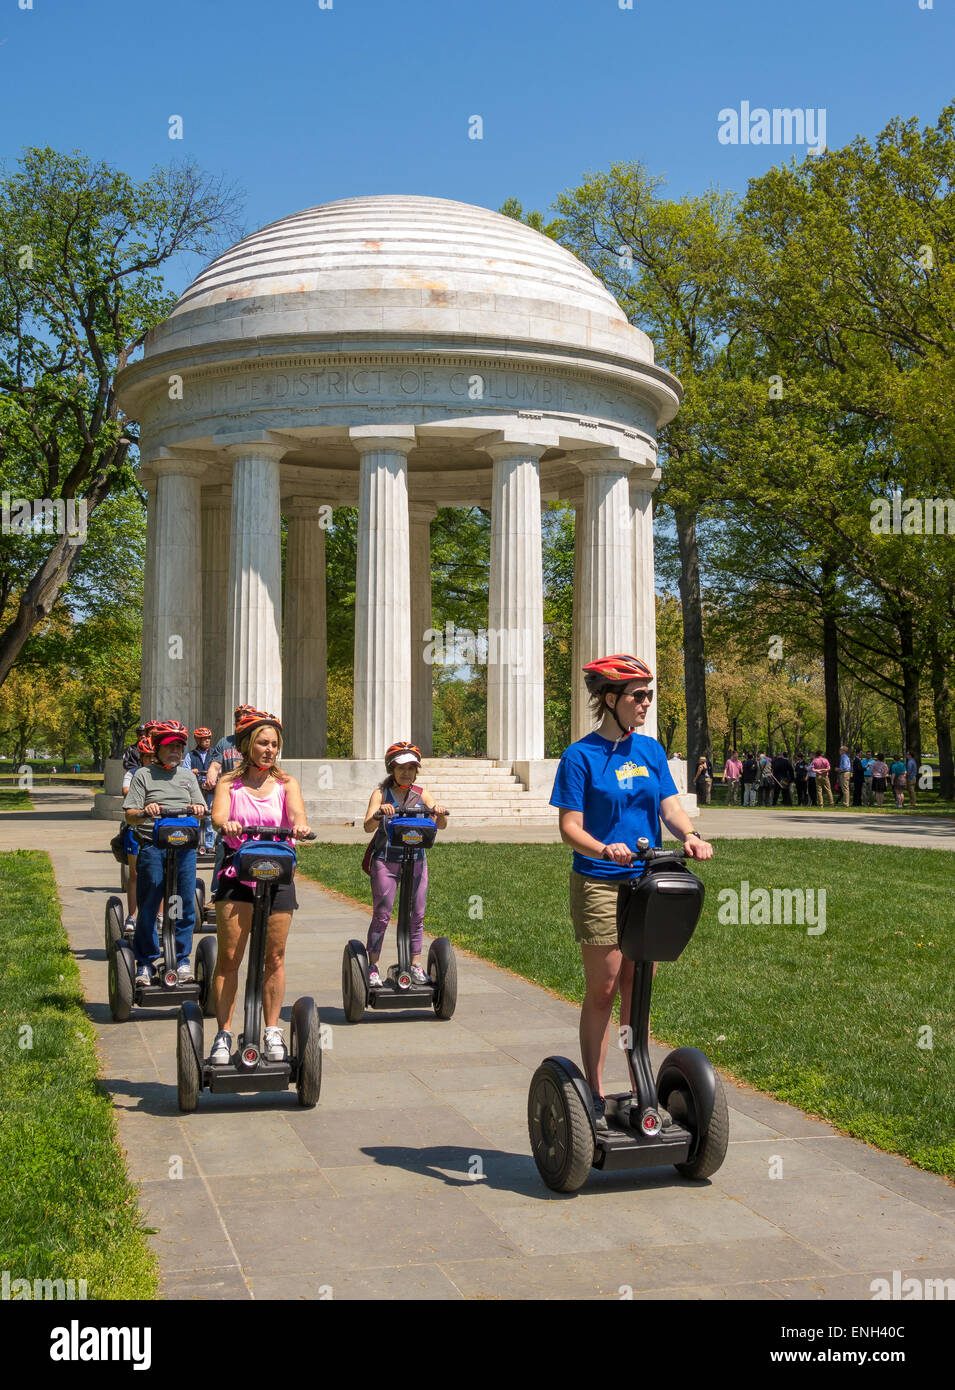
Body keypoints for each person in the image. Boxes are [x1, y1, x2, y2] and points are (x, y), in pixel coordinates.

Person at [549, 654, 713, 1132]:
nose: (646, 703)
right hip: (600, 879)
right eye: (637, 696)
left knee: (637, 987)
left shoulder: (650, 751)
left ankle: (640, 1088)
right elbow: (568, 828)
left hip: (647, 881)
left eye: (648, 694)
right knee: (603, 988)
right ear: (609, 700)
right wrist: (605, 848)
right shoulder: (579, 757)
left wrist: (689, 835)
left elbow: (670, 806)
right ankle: (594, 1097)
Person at [209, 708, 311, 1064]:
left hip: (277, 874)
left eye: (274, 744)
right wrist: (227, 825)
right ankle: (223, 1034)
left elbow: (298, 814)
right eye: (263, 743)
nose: (269, 749)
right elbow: (219, 815)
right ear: (247, 745)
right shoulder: (228, 783)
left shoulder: (286, 783)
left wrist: (298, 827)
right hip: (237, 876)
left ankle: (271, 1030)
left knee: (275, 958)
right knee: (230, 958)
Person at [123, 720, 206, 985]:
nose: (176, 753)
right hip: (153, 845)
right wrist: (144, 811)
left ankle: (181, 959)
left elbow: (201, 806)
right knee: (149, 904)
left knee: (182, 903)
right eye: (170, 747)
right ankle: (145, 962)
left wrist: (199, 809)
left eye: (180, 748)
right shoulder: (143, 776)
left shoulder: (188, 777)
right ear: (157, 749)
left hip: (183, 846)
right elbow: (130, 815)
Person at [362, 741, 448, 988]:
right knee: (382, 913)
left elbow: (439, 826)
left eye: (411, 767)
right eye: (401, 767)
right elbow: (367, 826)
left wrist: (439, 813)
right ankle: (373, 966)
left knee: (417, 915)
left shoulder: (422, 794)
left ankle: (415, 964)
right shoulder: (381, 794)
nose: (406, 772)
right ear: (391, 769)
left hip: (416, 860)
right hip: (386, 862)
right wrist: (379, 813)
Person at [120, 736, 157, 935]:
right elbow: (126, 790)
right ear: (140, 757)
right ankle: (132, 915)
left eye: (153, 756)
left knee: (158, 875)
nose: (150, 760)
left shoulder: (160, 775)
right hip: (136, 829)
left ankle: (159, 916)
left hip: (157, 829)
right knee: (134, 873)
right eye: (146, 757)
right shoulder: (133, 773)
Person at [186, 727, 216, 851]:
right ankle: (194, 841)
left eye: (208, 738)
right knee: (194, 816)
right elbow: (184, 772)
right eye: (204, 739)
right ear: (198, 740)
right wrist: (191, 772)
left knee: (209, 817)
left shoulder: (214, 753)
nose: (207, 741)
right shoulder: (191, 755)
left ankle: (209, 844)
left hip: (211, 790)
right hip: (196, 790)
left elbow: (219, 768)